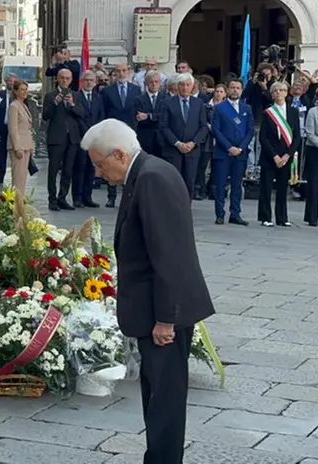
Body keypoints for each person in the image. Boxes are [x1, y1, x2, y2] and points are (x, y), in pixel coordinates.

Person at [81, 118, 214, 464]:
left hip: (163, 316)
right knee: (156, 395)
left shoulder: (152, 178)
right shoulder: (146, 172)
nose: (96, 172)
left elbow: (170, 255)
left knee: (165, 401)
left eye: (99, 163)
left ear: (120, 155)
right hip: (154, 311)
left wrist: (166, 319)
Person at [209, 78, 253, 225]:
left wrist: (240, 148)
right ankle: (220, 213)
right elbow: (216, 130)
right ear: (227, 90)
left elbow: (250, 130)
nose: (235, 90)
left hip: (240, 153)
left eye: (238, 88)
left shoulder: (247, 109)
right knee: (220, 184)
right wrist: (229, 147)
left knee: (237, 184)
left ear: (241, 90)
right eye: (232, 87)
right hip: (223, 152)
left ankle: (235, 213)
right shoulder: (220, 108)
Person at [159, 73, 209, 198]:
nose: (185, 87)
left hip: (192, 151)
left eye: (188, 85)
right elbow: (164, 126)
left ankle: (185, 211)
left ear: (192, 86)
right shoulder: (168, 103)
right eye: (182, 85)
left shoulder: (198, 103)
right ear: (177, 86)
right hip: (173, 150)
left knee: (190, 182)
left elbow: (203, 127)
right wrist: (177, 143)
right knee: (173, 182)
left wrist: (193, 143)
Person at [258, 81, 300, 227]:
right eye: (275, 91)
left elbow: (297, 137)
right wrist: (274, 156)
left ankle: (282, 217)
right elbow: (263, 137)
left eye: (281, 90)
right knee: (266, 188)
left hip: (286, 156)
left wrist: (287, 155)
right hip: (271, 156)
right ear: (272, 94)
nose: (278, 93)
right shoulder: (268, 112)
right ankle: (265, 217)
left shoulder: (293, 112)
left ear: (286, 93)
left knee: (283, 188)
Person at [43, 68, 83, 211]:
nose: (65, 81)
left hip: (72, 138)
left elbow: (81, 114)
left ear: (71, 80)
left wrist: (72, 105)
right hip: (56, 138)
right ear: (57, 79)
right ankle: (52, 199)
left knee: (68, 170)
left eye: (67, 78)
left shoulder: (76, 95)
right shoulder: (49, 96)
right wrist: (55, 103)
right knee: (53, 170)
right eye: (62, 78)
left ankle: (63, 198)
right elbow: (45, 116)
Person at [101, 63, 141, 207]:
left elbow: (138, 110)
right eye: (118, 71)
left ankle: (127, 194)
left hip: (130, 132)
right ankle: (111, 196)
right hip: (113, 131)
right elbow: (104, 112)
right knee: (112, 161)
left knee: (128, 162)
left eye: (124, 70)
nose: (121, 73)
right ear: (114, 73)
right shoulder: (107, 91)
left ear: (128, 72)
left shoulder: (136, 90)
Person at [73, 70, 103, 208]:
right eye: (86, 80)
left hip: (94, 139)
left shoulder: (98, 97)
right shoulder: (76, 96)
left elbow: (101, 116)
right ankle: (77, 198)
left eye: (91, 80)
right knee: (80, 168)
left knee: (91, 168)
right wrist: (87, 132)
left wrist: (97, 133)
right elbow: (77, 118)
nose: (89, 82)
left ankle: (87, 197)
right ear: (82, 81)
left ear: (95, 82)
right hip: (81, 136)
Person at [196, 84, 226, 200]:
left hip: (220, 141)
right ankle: (200, 189)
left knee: (217, 167)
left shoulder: (226, 107)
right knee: (202, 166)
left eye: (221, 92)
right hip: (207, 140)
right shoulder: (206, 106)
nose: (219, 93)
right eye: (217, 91)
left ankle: (212, 189)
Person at [303, 86, 318, 226]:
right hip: (315, 150)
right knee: (314, 184)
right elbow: (310, 133)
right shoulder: (313, 112)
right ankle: (311, 216)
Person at [8, 80, 34, 201]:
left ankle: (20, 202)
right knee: (18, 178)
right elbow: (13, 129)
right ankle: (15, 204)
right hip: (19, 147)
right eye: (22, 89)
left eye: (26, 89)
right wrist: (17, 147)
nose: (25, 92)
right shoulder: (14, 106)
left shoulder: (23, 105)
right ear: (16, 91)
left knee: (23, 177)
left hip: (26, 145)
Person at [134, 70, 167, 159]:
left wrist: (149, 116)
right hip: (145, 137)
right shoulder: (139, 99)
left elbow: (164, 117)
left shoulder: (166, 99)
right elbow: (140, 119)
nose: (154, 84)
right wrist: (156, 117)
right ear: (146, 83)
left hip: (161, 138)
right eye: (151, 82)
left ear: (160, 83)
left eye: (156, 82)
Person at [0, 73, 16, 184]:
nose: (11, 83)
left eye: (13, 81)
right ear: (6, 82)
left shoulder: (19, 96)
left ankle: (16, 177)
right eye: (9, 81)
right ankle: (0, 176)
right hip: (2, 127)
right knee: (1, 153)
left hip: (15, 129)